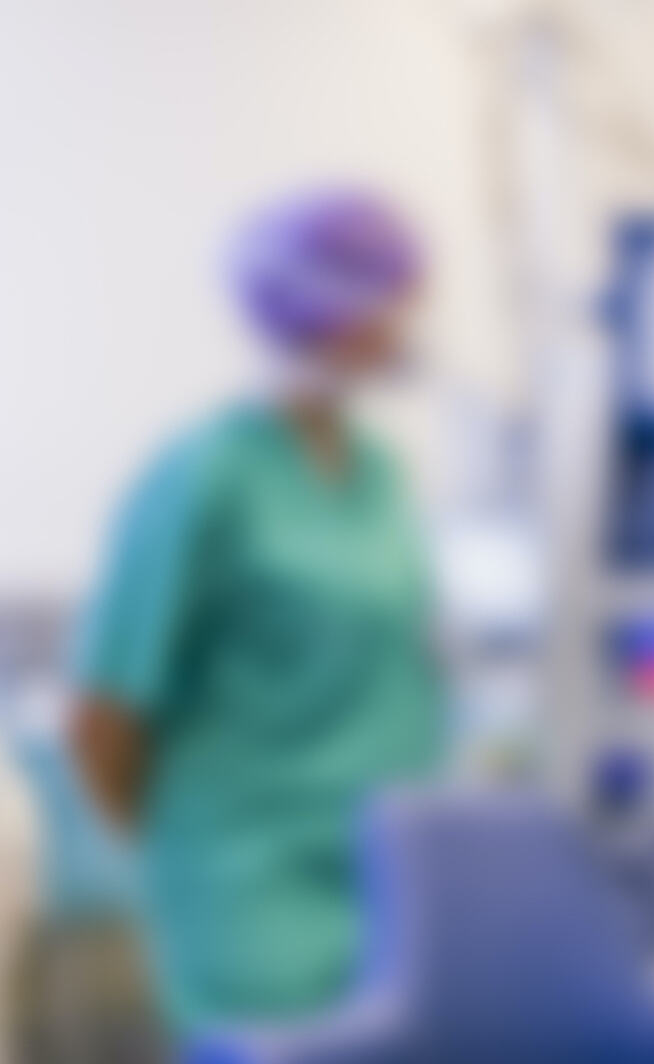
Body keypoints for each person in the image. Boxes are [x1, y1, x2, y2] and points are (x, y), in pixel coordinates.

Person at [70, 187, 446, 1047]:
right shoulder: (202, 477)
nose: (406, 323)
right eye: (389, 298)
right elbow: (105, 718)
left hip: (386, 875)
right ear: (331, 308)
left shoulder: (378, 472)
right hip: (249, 892)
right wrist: (191, 854)